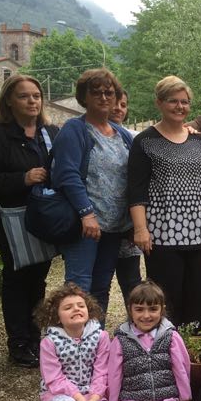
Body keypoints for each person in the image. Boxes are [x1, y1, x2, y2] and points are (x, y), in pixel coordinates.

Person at [0, 74, 59, 367]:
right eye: (24, 96)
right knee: (17, 279)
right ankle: (19, 343)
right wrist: (22, 178)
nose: (32, 101)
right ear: (8, 100)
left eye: (36, 95)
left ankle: (35, 338)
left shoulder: (51, 133)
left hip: (43, 219)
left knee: (38, 280)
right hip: (10, 222)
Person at [128, 76, 201, 325]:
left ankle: (195, 357)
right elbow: (136, 190)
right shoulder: (145, 142)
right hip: (163, 235)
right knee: (168, 300)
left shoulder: (197, 140)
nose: (180, 107)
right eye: (173, 101)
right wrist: (140, 229)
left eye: (185, 102)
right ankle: (168, 351)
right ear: (159, 102)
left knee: (199, 299)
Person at [50, 69, 134, 316]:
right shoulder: (75, 130)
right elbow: (67, 174)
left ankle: (95, 343)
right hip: (84, 225)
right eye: (95, 92)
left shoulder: (123, 136)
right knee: (78, 288)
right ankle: (71, 344)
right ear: (84, 97)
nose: (103, 97)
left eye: (109, 92)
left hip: (113, 227)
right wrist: (86, 213)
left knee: (101, 288)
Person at [109, 90, 144, 310]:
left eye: (123, 105)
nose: (119, 109)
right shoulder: (85, 132)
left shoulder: (131, 138)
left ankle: (138, 326)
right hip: (101, 222)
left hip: (128, 221)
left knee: (132, 280)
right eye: (115, 104)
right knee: (98, 281)